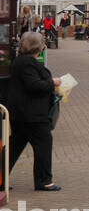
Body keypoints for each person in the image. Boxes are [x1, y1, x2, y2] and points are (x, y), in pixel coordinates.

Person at [4, 32, 61, 191]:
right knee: (43, 143)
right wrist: (53, 82)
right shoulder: (28, 63)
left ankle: (1, 178)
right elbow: (33, 85)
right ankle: (43, 180)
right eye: (42, 43)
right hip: (31, 114)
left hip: (22, 113)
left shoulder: (21, 61)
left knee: (15, 146)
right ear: (37, 46)